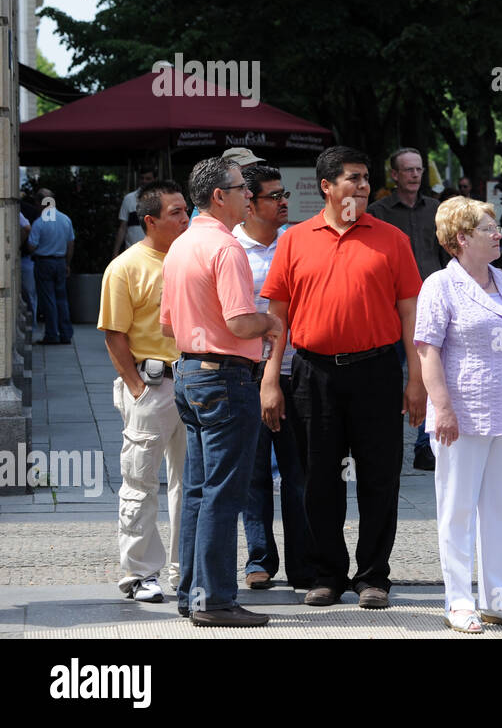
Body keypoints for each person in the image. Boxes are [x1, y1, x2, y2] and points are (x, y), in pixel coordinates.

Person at [260, 146, 426, 610]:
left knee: (380, 478)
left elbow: (409, 311)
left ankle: (373, 576)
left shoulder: (391, 238)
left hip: (376, 371)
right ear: (327, 186)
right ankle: (326, 573)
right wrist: (271, 377)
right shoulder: (294, 239)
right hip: (312, 373)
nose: (363, 186)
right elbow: (278, 314)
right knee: (317, 480)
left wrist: (416, 378)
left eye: (367, 178)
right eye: (353, 178)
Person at [162, 157, 282, 627]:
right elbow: (239, 321)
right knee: (222, 493)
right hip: (225, 377)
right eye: (240, 189)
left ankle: (193, 592)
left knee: (197, 490)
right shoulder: (226, 248)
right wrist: (270, 322)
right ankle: (214, 600)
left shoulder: (181, 245)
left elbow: (168, 324)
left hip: (190, 373)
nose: (248, 197)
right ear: (219, 196)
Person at [414, 197, 502, 632]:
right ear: (462, 238)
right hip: (462, 412)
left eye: (497, 225)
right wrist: (442, 407)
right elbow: (427, 351)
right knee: (457, 507)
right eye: (488, 227)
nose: (498, 232)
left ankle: (496, 597)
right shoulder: (439, 286)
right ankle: (459, 600)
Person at [99, 180, 190, 603]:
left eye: (186, 210)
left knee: (190, 483)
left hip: (194, 382)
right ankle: (139, 573)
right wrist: (136, 387)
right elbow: (114, 334)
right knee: (139, 482)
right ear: (150, 221)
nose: (186, 218)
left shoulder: (192, 259)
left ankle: (185, 568)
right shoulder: (125, 266)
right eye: (176, 213)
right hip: (151, 386)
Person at [235, 164, 312, 591]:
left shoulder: (296, 243)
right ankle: (259, 559)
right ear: (249, 202)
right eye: (274, 195)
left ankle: (303, 564)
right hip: (246, 374)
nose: (284, 202)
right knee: (253, 472)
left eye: (285, 194)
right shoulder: (231, 250)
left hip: (296, 371)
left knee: (300, 470)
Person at [368, 146, 445, 472]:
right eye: (408, 170)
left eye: (419, 169)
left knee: (430, 372)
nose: (415, 175)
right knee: (387, 374)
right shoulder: (379, 212)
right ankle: (380, 439)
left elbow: (446, 256)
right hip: (392, 307)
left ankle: (424, 444)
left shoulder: (437, 210)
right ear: (395, 175)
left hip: (431, 303)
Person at [27, 188, 76, 345]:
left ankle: (52, 334)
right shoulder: (65, 219)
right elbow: (70, 244)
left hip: (44, 263)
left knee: (48, 299)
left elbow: (31, 247)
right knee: (62, 299)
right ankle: (66, 334)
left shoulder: (39, 223)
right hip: (60, 262)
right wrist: (67, 263)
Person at [112, 166, 158, 256]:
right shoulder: (128, 199)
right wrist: (115, 253)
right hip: (131, 253)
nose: (144, 181)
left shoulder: (161, 199)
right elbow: (122, 228)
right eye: (142, 178)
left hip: (154, 253)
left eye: (148, 179)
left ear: (154, 180)